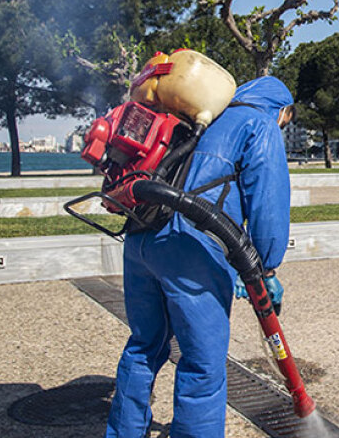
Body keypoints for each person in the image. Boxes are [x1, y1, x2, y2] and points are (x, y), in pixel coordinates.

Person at [105, 76, 295, 438]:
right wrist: (267, 267)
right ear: (283, 110)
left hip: (141, 235)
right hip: (190, 247)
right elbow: (268, 205)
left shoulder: (202, 117)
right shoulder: (260, 123)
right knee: (202, 364)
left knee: (144, 344)